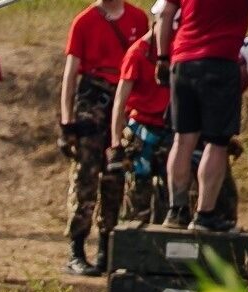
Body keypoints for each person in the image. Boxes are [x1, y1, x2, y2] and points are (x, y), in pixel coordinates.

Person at [154, 0, 248, 232]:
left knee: (182, 140)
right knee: (217, 142)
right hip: (219, 61)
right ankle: (204, 214)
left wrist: (162, 57)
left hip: (182, 61)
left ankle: (176, 211)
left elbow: (165, 13)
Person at [59, 0, 148, 276]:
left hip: (123, 99)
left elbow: (145, 61)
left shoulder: (138, 18)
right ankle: (76, 250)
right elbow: (71, 75)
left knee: (115, 175)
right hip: (92, 101)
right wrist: (66, 122)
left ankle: (106, 251)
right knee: (85, 175)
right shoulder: (84, 21)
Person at [109, 27, 171, 225]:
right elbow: (120, 101)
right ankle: (130, 249)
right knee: (137, 198)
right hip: (141, 134)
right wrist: (116, 143)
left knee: (169, 198)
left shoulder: (178, 48)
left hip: (170, 131)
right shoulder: (137, 54)